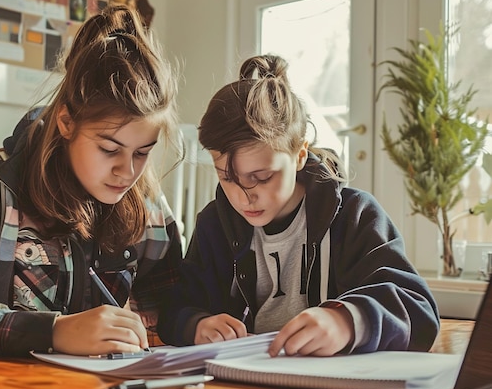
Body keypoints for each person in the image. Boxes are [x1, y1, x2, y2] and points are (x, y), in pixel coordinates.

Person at [0, 4, 183, 357]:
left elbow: (171, 311)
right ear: (66, 123)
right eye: (109, 149)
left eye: (142, 153)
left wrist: (195, 321)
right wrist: (52, 331)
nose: (128, 172)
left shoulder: (149, 210)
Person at [157, 54, 440, 357]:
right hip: (247, 386)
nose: (243, 197)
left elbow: (419, 309)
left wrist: (347, 320)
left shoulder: (355, 216)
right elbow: (175, 309)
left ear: (300, 154)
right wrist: (197, 325)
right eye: (227, 177)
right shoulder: (215, 224)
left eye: (261, 177)